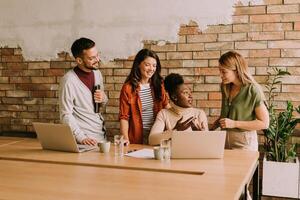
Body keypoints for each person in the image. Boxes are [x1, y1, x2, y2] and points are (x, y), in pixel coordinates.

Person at [211, 51, 269, 151]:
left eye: (224, 71)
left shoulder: (253, 90)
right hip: (224, 140)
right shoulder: (225, 87)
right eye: (219, 71)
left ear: (237, 71)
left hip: (244, 143)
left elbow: (264, 123)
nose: (220, 75)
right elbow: (228, 114)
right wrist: (211, 128)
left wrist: (234, 124)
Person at [59, 37, 108, 146]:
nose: (97, 60)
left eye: (97, 55)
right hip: (84, 141)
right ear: (79, 60)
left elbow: (100, 104)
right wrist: (81, 137)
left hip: (101, 136)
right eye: (92, 58)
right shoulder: (68, 81)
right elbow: (65, 115)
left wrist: (103, 98)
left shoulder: (97, 73)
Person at [119, 49, 169, 145]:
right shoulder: (128, 88)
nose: (151, 69)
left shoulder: (159, 84)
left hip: (157, 134)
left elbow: (167, 106)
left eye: (154, 65)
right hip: (137, 136)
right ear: (138, 64)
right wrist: (125, 138)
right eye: (147, 65)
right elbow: (124, 117)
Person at [149, 73, 208, 145]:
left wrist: (200, 135)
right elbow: (152, 140)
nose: (190, 96)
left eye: (190, 92)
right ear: (174, 97)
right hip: (173, 154)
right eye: (186, 93)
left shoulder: (199, 113)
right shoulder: (164, 114)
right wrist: (176, 130)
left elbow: (206, 143)